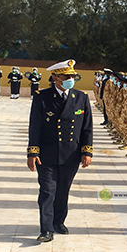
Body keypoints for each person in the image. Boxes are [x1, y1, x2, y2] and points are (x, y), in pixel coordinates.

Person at [27, 60, 93, 242]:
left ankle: (58, 222)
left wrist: (87, 151)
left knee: (63, 190)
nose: (71, 80)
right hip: (47, 154)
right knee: (48, 190)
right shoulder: (42, 96)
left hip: (70, 154)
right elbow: (35, 126)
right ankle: (46, 229)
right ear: (55, 77)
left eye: (73, 76)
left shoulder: (81, 98)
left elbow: (87, 128)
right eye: (67, 76)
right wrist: (33, 152)